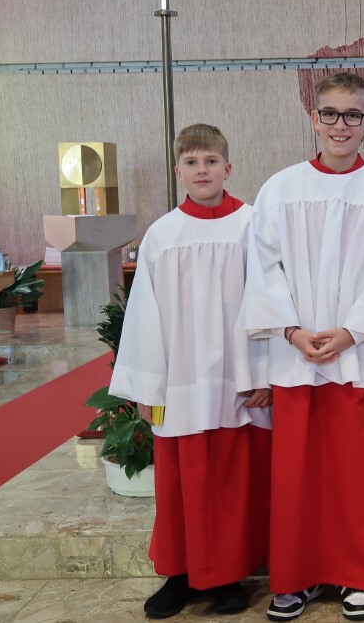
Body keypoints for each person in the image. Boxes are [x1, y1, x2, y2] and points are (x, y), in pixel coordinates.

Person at [244, 72, 364, 622]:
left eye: (353, 115)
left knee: (359, 473)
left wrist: (351, 332)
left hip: (357, 353)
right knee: (299, 475)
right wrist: (291, 331)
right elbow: (263, 266)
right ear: (314, 118)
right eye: (331, 114)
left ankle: (361, 575)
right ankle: (298, 575)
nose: (342, 125)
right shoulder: (281, 188)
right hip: (296, 354)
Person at [109, 123, 272, 618]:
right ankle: (179, 575)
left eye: (211, 161)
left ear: (228, 167)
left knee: (231, 482)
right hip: (179, 380)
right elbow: (144, 313)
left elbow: (270, 301)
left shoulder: (253, 225)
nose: (202, 170)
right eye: (192, 162)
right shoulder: (163, 233)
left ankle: (229, 576)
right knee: (181, 482)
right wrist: (146, 385)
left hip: (237, 381)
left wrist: (264, 373)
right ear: (178, 171)